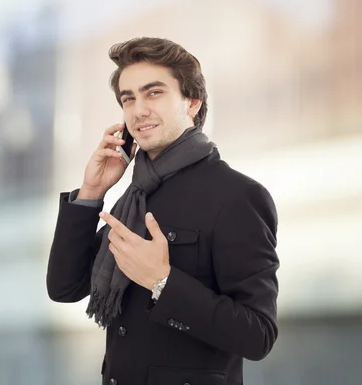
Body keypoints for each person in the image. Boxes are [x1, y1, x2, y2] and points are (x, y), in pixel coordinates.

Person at [46, 37, 279, 385]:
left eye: (153, 93)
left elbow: (258, 335)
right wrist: (93, 192)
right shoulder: (135, 196)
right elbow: (65, 287)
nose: (138, 109)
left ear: (192, 103)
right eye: (129, 98)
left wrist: (162, 282)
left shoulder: (238, 195)